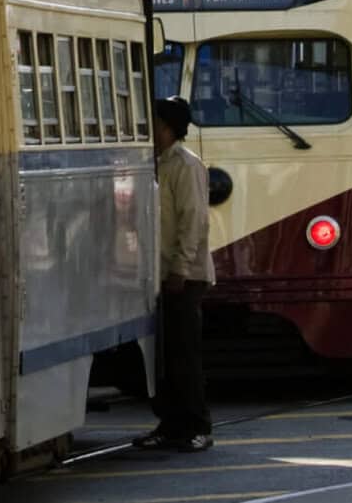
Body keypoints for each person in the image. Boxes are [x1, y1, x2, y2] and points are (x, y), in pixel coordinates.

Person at [142, 96, 213, 452]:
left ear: (168, 128)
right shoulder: (154, 163)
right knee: (164, 358)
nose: (149, 128)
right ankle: (171, 424)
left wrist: (180, 269)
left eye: (154, 122)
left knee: (185, 355)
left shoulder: (186, 165)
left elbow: (193, 220)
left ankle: (198, 425)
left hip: (183, 276)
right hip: (159, 274)